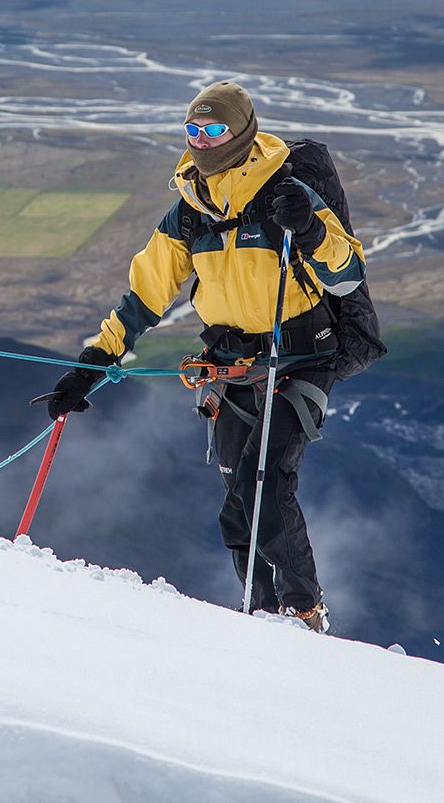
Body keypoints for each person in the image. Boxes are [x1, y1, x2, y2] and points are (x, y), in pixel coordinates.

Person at [39, 81, 366, 633]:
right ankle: (260, 612)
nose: (202, 142)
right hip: (231, 362)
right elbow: (144, 296)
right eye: (192, 131)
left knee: (262, 488)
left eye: (213, 130)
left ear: (241, 130)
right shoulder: (190, 212)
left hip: (300, 357)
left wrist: (308, 229)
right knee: (237, 498)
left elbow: (346, 273)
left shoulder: (286, 192)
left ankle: (303, 610)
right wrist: (92, 365)